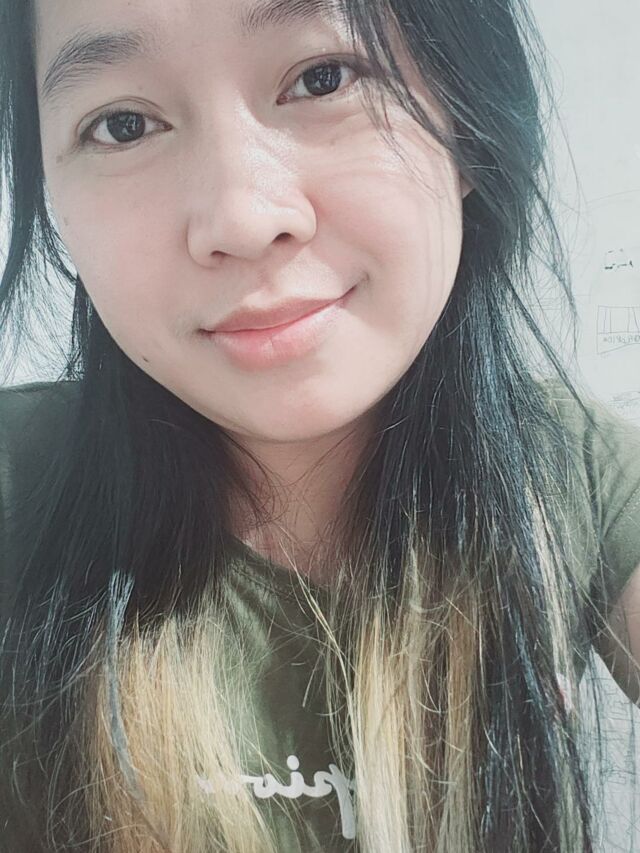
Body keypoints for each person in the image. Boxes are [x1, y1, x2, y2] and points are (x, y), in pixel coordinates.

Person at [0, 0, 638, 850]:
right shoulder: (17, 485)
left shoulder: (573, 468)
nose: (241, 219)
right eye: (123, 124)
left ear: (467, 123)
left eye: (323, 78)